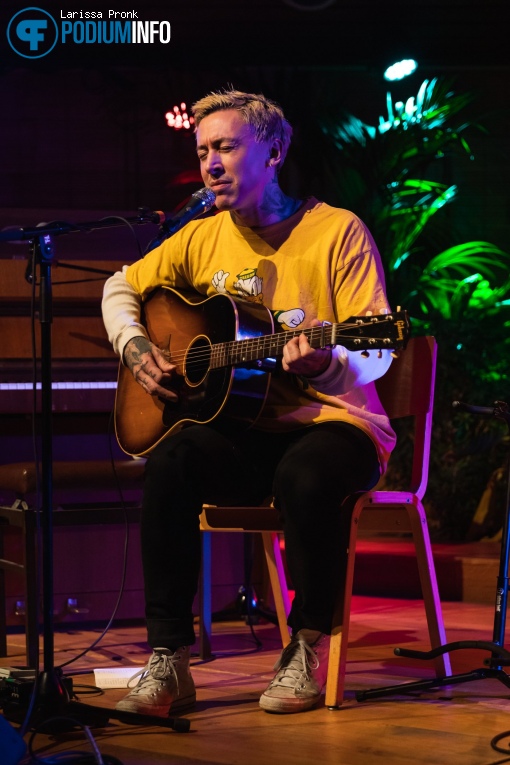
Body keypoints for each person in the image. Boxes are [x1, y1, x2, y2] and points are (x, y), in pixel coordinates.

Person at [101, 88, 396, 716]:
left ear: (274, 152)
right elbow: (119, 286)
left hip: (336, 424)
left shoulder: (336, 231)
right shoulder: (199, 237)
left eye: (226, 146)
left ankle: (306, 646)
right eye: (204, 149)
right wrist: (133, 347)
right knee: (173, 460)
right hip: (244, 430)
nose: (210, 162)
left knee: (308, 473)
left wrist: (328, 359)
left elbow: (376, 348)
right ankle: (169, 660)